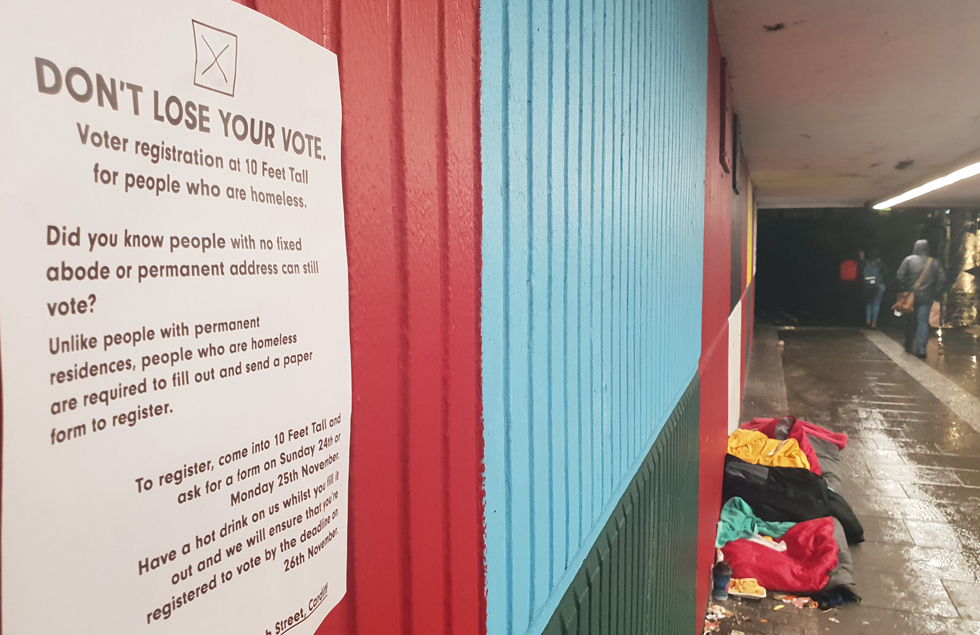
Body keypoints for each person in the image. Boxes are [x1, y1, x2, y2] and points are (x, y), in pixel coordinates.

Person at [895, 239, 946, 358]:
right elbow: (942, 280)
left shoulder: (908, 260)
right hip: (926, 297)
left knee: (910, 320)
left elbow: (900, 276)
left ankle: (908, 344)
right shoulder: (935, 262)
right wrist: (935, 293)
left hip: (910, 296)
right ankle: (921, 348)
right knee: (922, 322)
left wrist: (904, 290)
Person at [861, 250, 887, 328]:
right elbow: (885, 273)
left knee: (869, 303)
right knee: (876, 303)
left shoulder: (866, 263)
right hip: (878, 285)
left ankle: (868, 320)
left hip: (868, 286)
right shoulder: (881, 263)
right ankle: (874, 323)